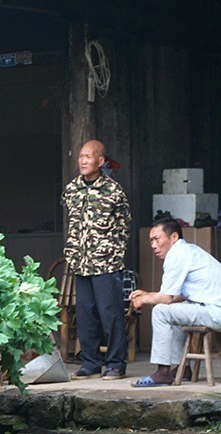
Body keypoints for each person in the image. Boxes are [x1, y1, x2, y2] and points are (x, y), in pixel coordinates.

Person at [128, 217, 221, 386]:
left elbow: (166, 297)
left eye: (157, 239)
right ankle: (183, 368)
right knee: (170, 309)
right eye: (151, 240)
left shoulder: (177, 254)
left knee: (161, 311)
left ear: (173, 237)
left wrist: (144, 299)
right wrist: (148, 294)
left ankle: (163, 372)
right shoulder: (188, 251)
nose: (153, 245)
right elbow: (176, 296)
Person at [61, 139, 131, 380]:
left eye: (88, 156)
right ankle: (90, 362)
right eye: (81, 156)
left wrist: (114, 254)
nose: (82, 160)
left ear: (100, 161)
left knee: (110, 314)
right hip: (80, 263)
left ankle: (115, 364)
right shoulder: (71, 189)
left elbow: (124, 226)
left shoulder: (113, 191)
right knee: (85, 314)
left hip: (106, 263)